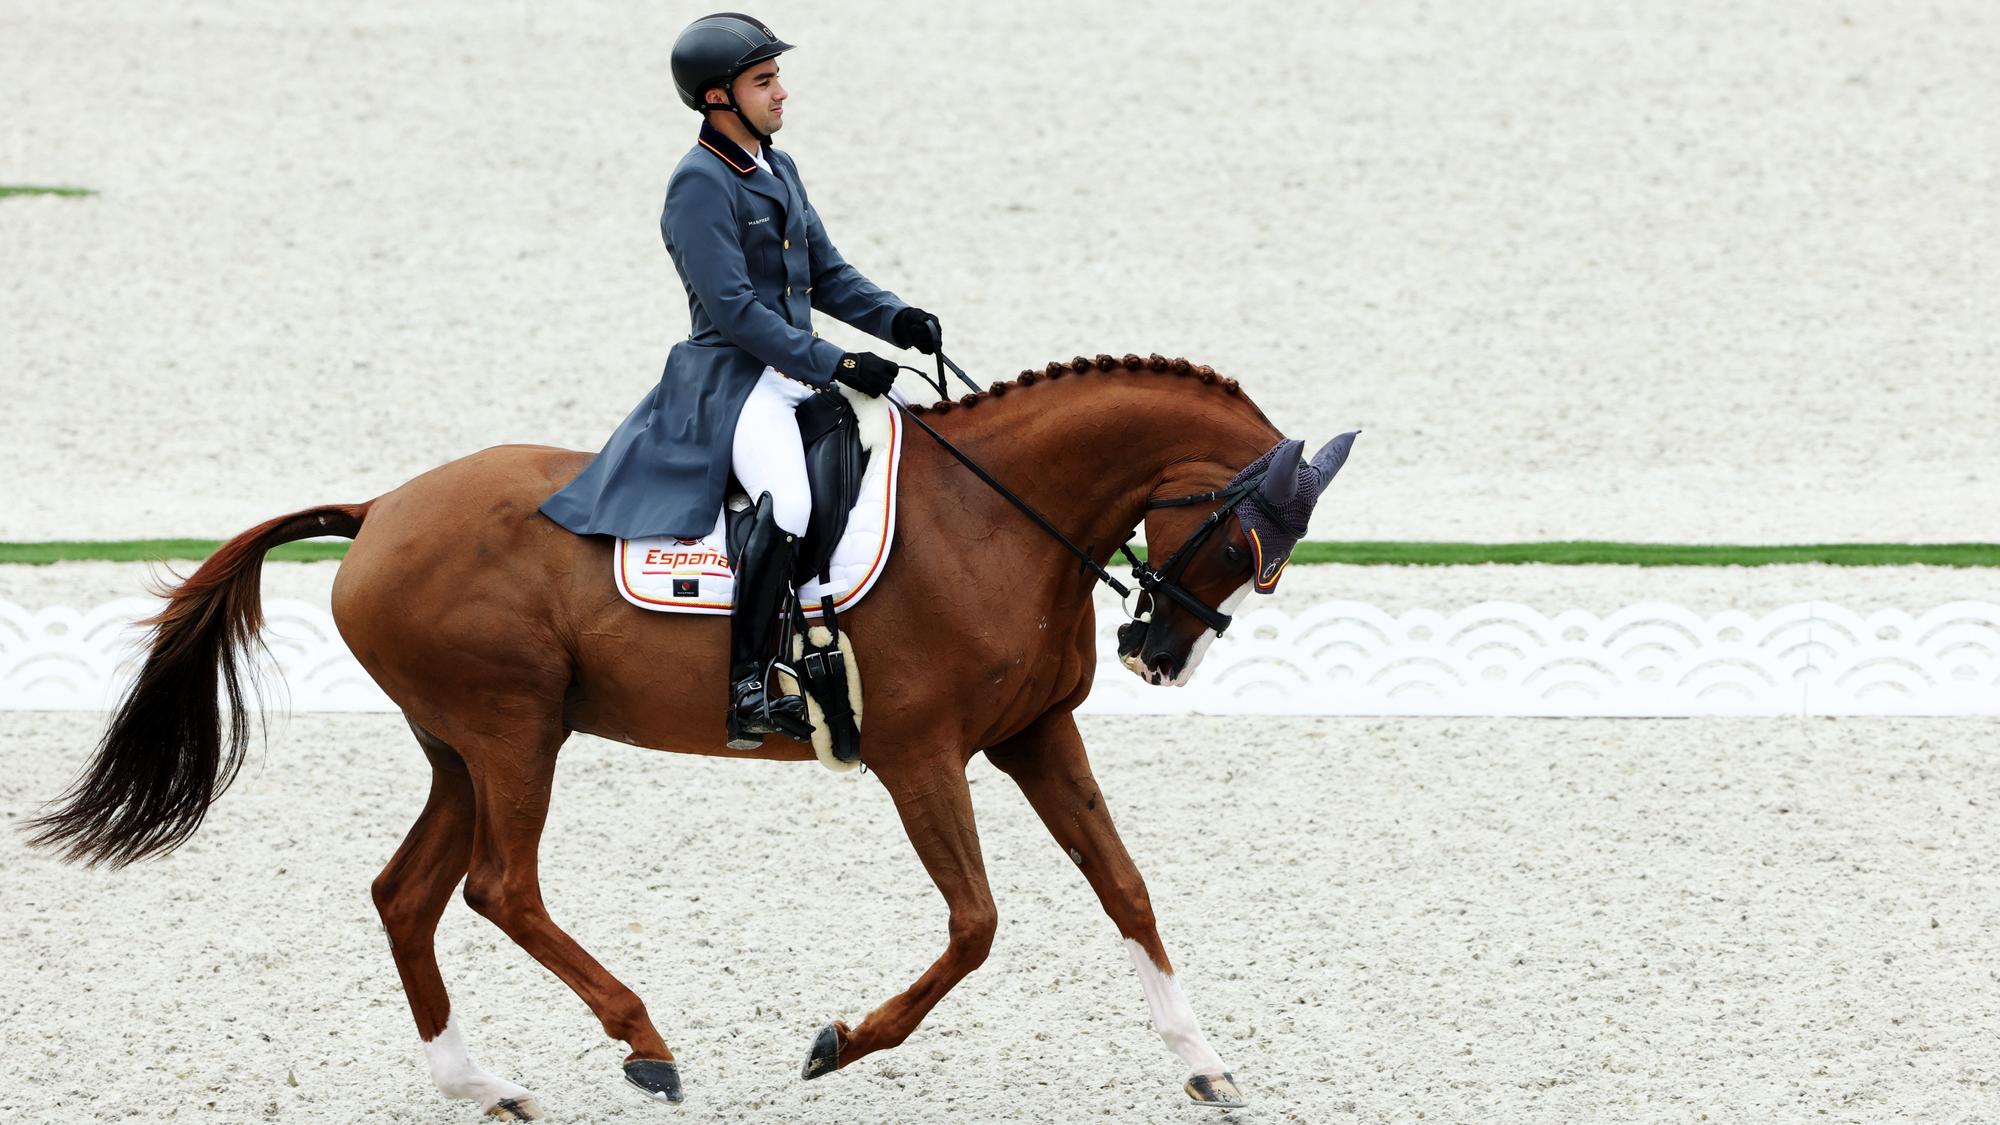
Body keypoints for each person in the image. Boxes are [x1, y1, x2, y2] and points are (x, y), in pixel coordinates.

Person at [539, 12, 942, 749]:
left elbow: (825, 273)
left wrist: (895, 319)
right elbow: (732, 309)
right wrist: (838, 363)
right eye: (765, 82)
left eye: (777, 77)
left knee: (922, 425)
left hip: (792, 366)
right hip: (734, 380)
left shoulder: (777, 168)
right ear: (718, 97)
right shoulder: (697, 185)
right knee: (785, 501)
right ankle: (749, 684)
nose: (782, 93)